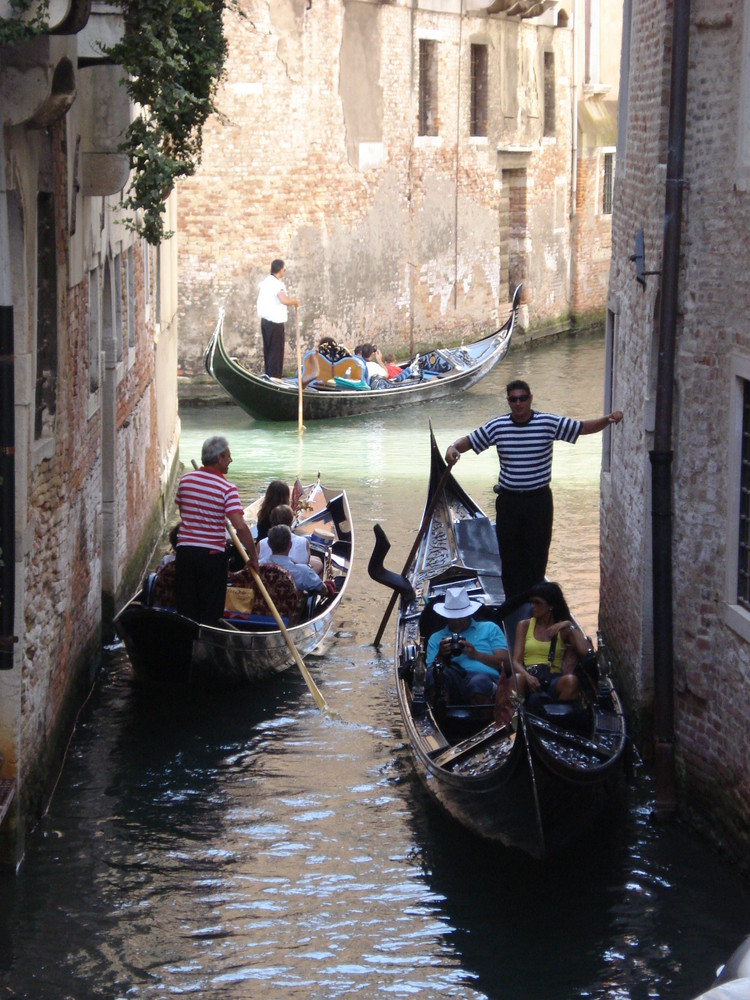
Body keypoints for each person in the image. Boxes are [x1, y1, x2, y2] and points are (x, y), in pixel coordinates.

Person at [445, 379, 623, 602]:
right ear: (508, 401)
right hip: (509, 503)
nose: (518, 403)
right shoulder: (498, 426)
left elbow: (583, 428)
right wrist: (452, 447)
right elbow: (469, 442)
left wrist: (607, 420)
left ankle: (535, 604)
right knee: (510, 557)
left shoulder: (547, 422)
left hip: (538, 502)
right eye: (513, 399)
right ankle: (514, 603)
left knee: (537, 556)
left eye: (522, 398)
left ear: (530, 399)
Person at [174, 436, 258, 623]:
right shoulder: (227, 489)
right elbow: (241, 528)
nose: (230, 460)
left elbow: (184, 513)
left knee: (186, 608)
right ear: (219, 458)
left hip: (185, 553)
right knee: (210, 611)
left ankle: (188, 647)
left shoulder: (185, 480)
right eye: (228, 456)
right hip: (211, 557)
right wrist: (253, 557)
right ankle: (207, 647)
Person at [509, 581, 593, 703]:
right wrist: (528, 677)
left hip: (553, 679)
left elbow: (586, 651)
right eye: (531, 602)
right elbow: (516, 661)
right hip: (528, 675)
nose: (532, 606)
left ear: (551, 606)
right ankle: (516, 719)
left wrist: (569, 625)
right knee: (517, 679)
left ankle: (559, 716)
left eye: (537, 603)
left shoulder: (563, 629)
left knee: (571, 681)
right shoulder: (524, 626)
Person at [425, 586, 510, 705]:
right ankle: (440, 717)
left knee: (478, 683)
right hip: (451, 678)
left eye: (461, 617)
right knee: (437, 677)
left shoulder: (490, 628)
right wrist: (441, 655)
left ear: (469, 614)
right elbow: (430, 671)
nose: (457, 621)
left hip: (483, 679)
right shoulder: (436, 638)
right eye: (453, 618)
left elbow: (506, 665)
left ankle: (484, 720)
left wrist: (476, 654)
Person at [261, 525, 336, 598]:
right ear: (290, 545)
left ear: (269, 544)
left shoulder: (257, 566)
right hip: (290, 610)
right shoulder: (304, 572)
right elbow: (324, 590)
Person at [256, 259, 299, 378]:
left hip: (265, 322)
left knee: (268, 352)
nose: (284, 272)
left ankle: (269, 376)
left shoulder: (266, 282)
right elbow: (284, 300)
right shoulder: (277, 284)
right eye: (284, 269)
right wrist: (295, 301)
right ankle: (274, 378)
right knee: (276, 353)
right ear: (280, 270)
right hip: (275, 324)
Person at [258, 503, 324, 575]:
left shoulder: (261, 544)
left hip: (269, 580)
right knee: (318, 563)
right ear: (291, 521)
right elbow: (307, 563)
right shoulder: (304, 542)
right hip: (297, 581)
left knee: (317, 561)